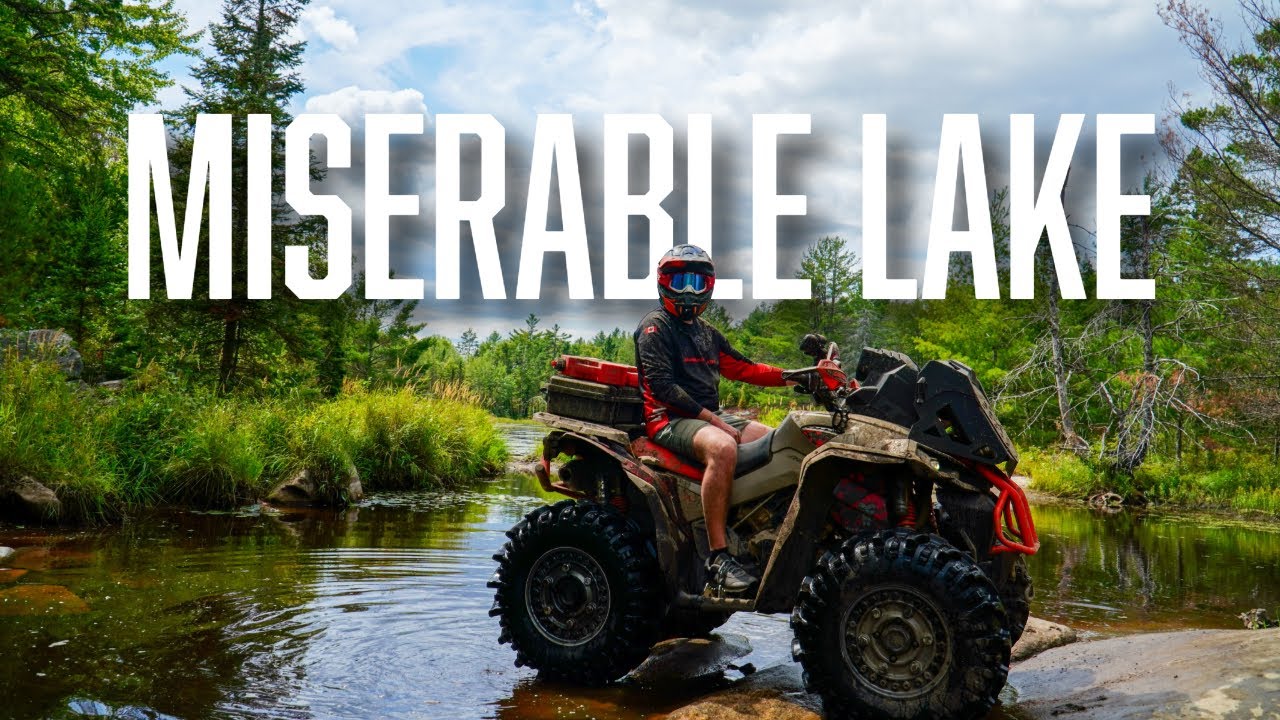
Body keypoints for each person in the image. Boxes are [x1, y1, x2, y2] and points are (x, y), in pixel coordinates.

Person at [633, 244, 790, 595]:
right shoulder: (654, 328)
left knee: (778, 440)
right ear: (664, 282)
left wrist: (800, 377)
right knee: (722, 449)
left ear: (709, 285)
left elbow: (746, 368)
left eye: (696, 281)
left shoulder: (706, 332)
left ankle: (760, 529)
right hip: (667, 419)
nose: (689, 290)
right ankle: (718, 557)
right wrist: (712, 420)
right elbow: (662, 387)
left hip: (707, 416)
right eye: (680, 281)